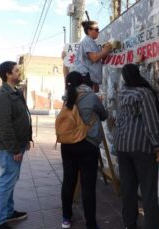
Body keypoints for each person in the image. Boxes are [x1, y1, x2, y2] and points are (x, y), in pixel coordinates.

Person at [114, 64, 159, 229]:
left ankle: (129, 224)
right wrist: (158, 146)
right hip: (142, 147)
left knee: (128, 189)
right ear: (138, 75)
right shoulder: (144, 93)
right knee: (148, 191)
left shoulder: (121, 92)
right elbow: (151, 121)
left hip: (122, 146)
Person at [60, 71, 107, 229]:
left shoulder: (66, 99)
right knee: (88, 186)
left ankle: (66, 218)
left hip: (67, 145)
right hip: (87, 145)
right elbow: (104, 115)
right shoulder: (91, 96)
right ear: (83, 82)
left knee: (68, 181)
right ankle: (91, 224)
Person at [0, 61, 33, 229]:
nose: (18, 72)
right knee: (7, 181)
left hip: (17, 145)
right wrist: (14, 148)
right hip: (9, 148)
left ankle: (8, 212)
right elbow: (4, 126)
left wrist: (26, 140)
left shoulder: (14, 92)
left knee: (11, 180)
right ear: (8, 74)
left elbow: (21, 118)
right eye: (16, 70)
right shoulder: (2, 96)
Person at [74, 20, 112, 92]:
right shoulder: (87, 41)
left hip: (90, 78)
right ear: (89, 30)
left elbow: (97, 58)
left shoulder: (92, 42)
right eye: (96, 29)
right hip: (85, 77)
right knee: (88, 101)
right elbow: (94, 58)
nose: (98, 32)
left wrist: (104, 51)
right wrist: (105, 51)